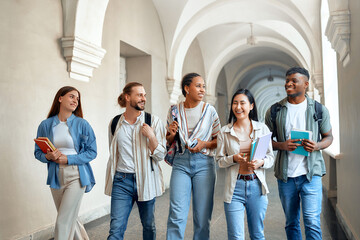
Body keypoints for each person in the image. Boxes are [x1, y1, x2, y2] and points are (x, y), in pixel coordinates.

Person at [265, 67, 333, 240]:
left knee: (312, 221)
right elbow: (264, 143)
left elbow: (329, 137)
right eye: (287, 80)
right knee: (292, 222)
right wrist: (282, 144)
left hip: (311, 175)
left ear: (306, 84)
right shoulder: (274, 111)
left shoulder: (319, 110)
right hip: (286, 177)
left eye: (294, 81)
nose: (288, 84)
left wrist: (317, 146)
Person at [105, 82, 166, 240]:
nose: (143, 98)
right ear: (127, 97)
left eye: (144, 95)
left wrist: (151, 136)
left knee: (148, 225)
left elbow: (160, 156)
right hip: (121, 180)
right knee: (115, 229)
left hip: (145, 179)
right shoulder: (115, 123)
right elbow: (113, 151)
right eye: (139, 95)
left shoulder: (153, 121)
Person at [34, 86, 97, 240]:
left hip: (77, 175)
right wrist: (48, 157)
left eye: (77, 98)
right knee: (70, 218)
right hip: (55, 176)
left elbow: (92, 151)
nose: (75, 100)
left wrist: (68, 159)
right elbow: (37, 152)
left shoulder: (83, 124)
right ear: (60, 98)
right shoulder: (45, 125)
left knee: (63, 221)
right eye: (71, 96)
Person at [166, 72, 221, 240]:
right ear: (186, 88)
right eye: (198, 86)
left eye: (203, 86)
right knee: (176, 214)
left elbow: (219, 140)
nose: (202, 89)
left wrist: (204, 144)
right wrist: (171, 134)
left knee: (203, 217)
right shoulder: (174, 111)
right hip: (181, 163)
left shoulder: (209, 111)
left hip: (204, 164)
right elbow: (168, 140)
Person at [216, 89, 274, 240]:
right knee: (236, 236)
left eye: (242, 103)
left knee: (257, 235)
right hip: (235, 188)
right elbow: (219, 161)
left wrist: (261, 162)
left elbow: (270, 158)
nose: (238, 107)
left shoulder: (262, 129)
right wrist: (233, 158)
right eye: (235, 103)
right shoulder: (224, 131)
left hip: (257, 187)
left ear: (251, 106)